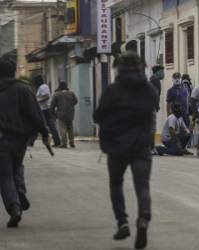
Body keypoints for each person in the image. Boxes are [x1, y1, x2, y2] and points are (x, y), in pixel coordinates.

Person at [93, 52, 159, 250]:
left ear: (118, 68)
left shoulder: (112, 90)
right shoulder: (148, 90)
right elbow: (152, 109)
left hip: (116, 147)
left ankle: (122, 222)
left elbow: (98, 116)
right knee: (142, 186)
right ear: (141, 67)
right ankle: (143, 221)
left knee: (116, 184)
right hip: (141, 146)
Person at [0, 56, 50, 228]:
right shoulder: (23, 89)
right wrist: (44, 133)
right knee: (17, 166)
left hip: (1, 140)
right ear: (13, 71)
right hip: (19, 139)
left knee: (5, 175)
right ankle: (20, 190)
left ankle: (14, 208)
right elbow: (35, 115)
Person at [34, 75, 61, 147]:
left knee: (40, 124)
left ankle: (31, 141)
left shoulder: (42, 87)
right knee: (50, 125)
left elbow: (47, 96)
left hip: (45, 109)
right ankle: (57, 141)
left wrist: (37, 101)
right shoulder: (43, 86)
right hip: (45, 109)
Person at [50, 81, 78, 148]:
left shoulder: (56, 94)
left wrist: (53, 113)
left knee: (62, 128)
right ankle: (72, 143)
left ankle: (64, 143)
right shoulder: (71, 93)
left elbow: (52, 106)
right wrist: (70, 106)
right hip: (71, 113)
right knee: (70, 128)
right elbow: (76, 101)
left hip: (61, 114)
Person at [149, 65, 164, 154]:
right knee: (152, 129)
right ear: (157, 72)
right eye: (162, 72)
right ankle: (151, 148)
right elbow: (154, 95)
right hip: (151, 108)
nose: (163, 74)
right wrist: (156, 106)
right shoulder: (155, 81)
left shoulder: (153, 80)